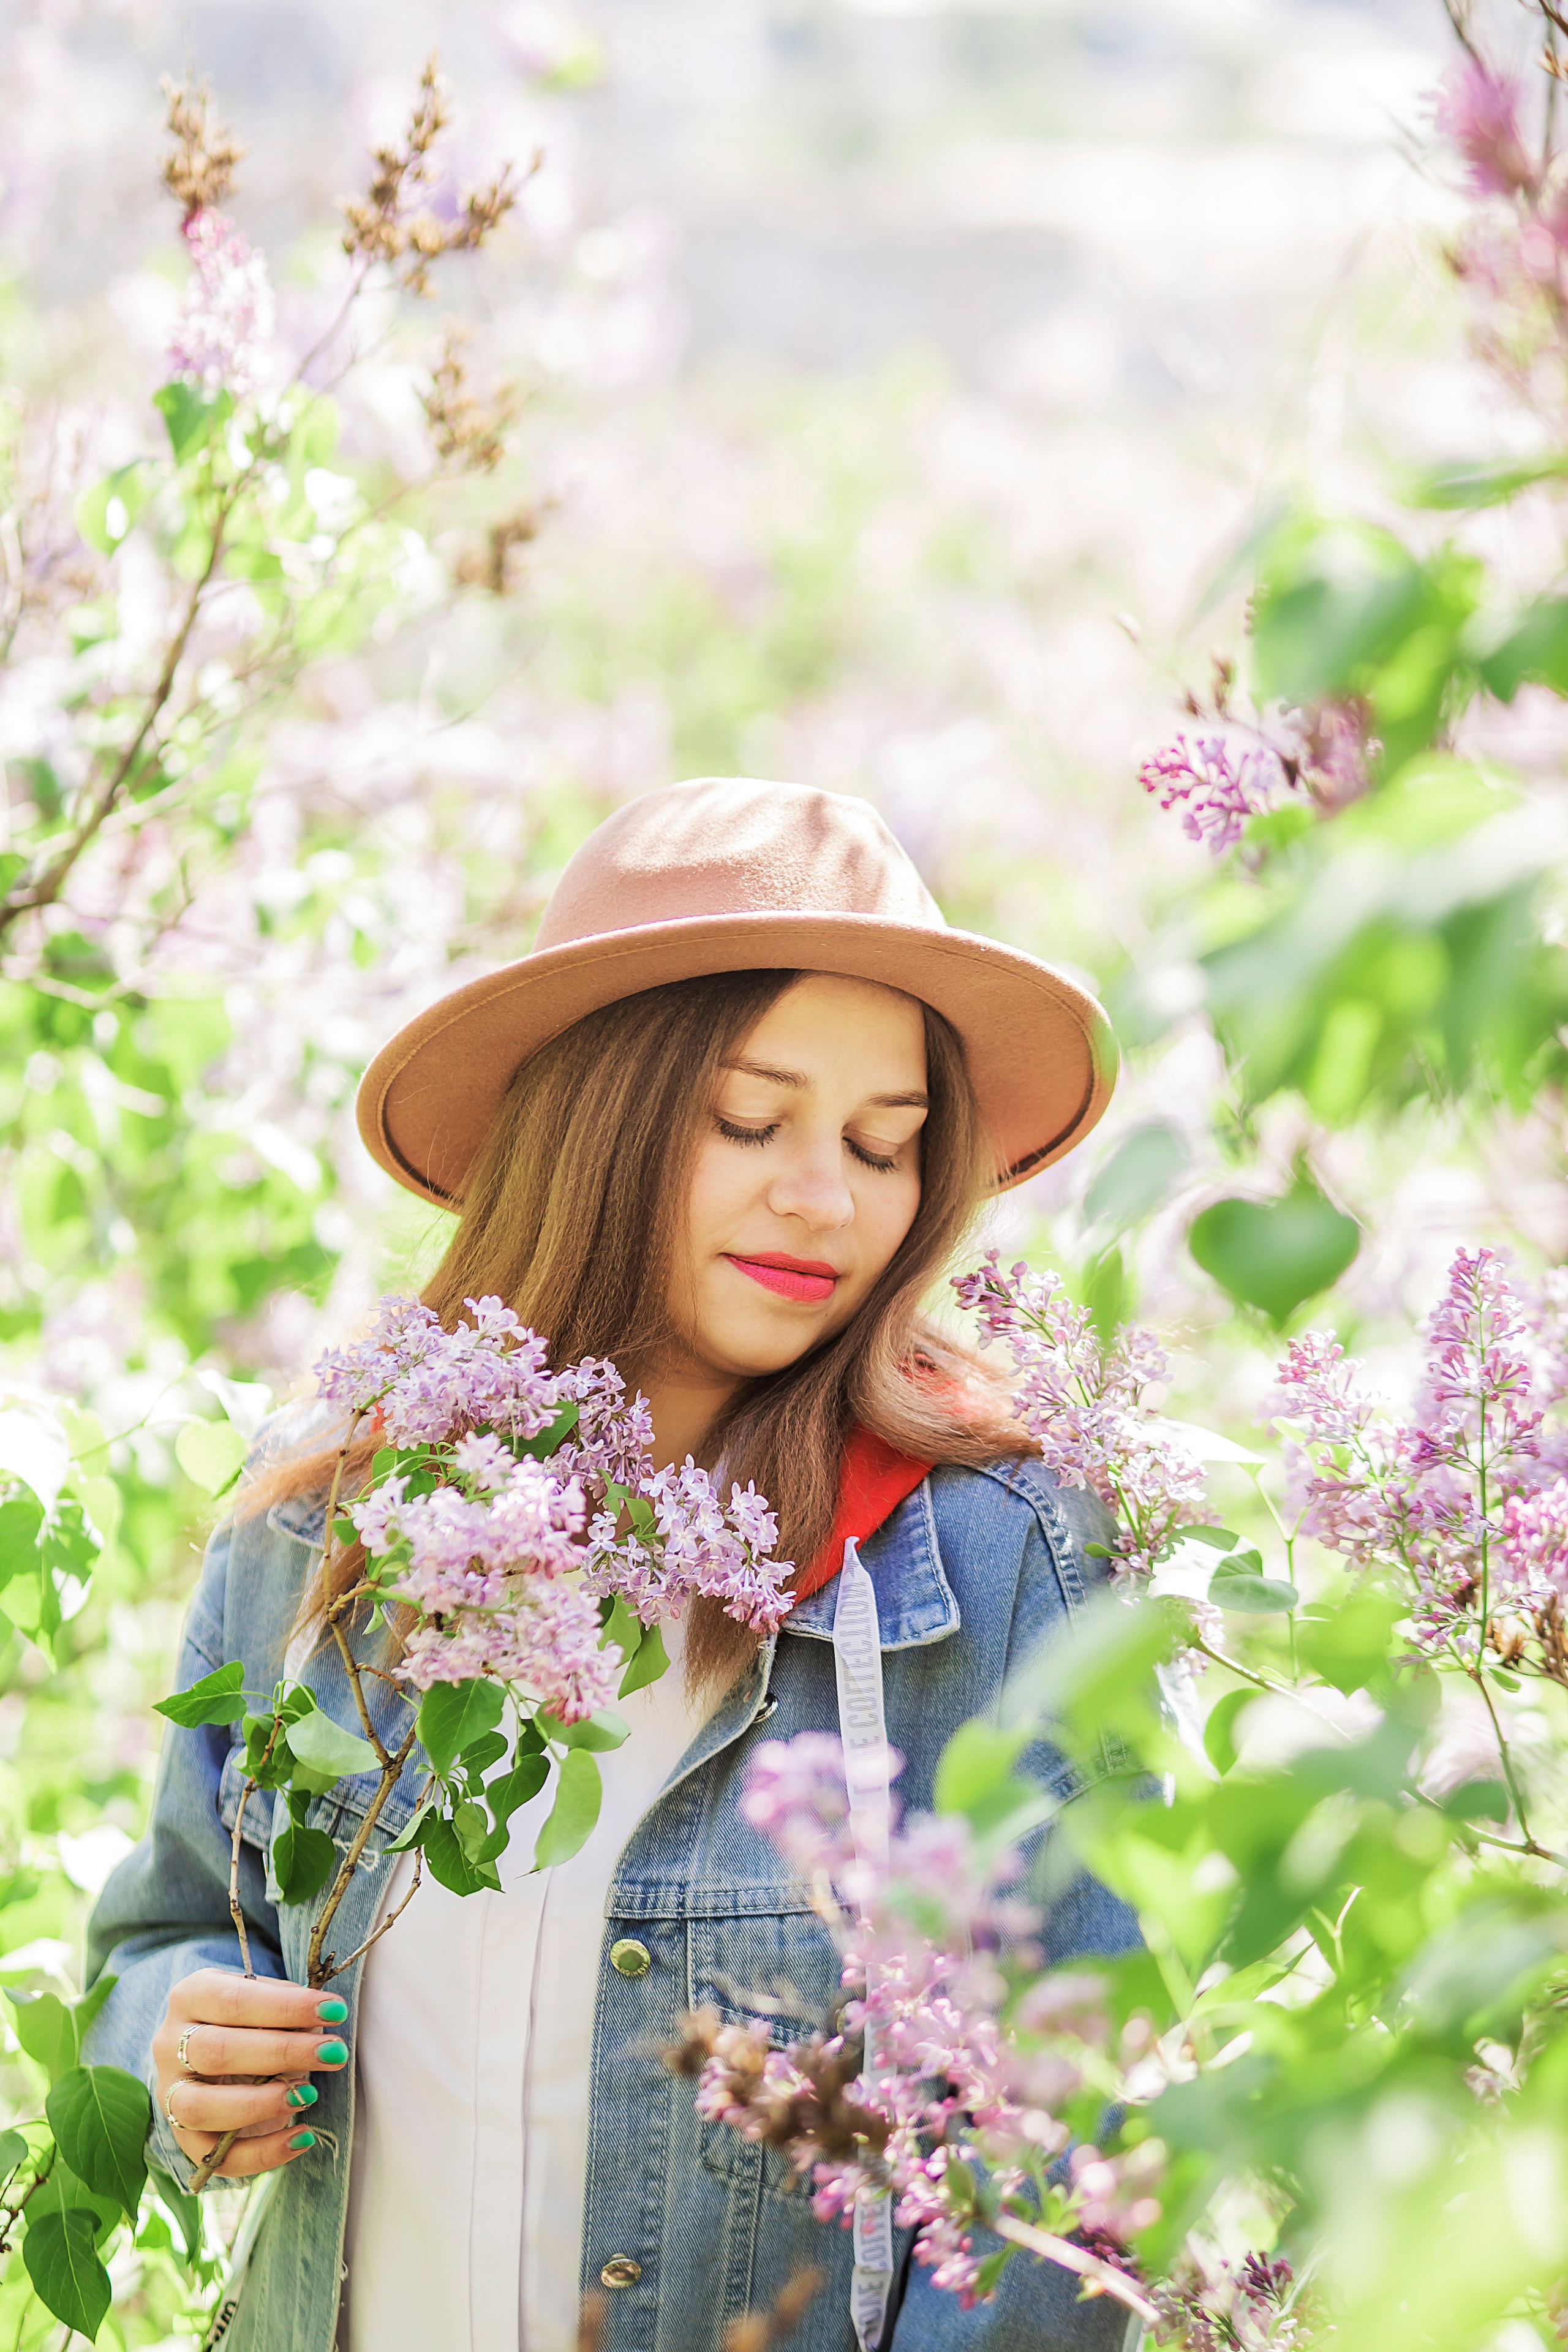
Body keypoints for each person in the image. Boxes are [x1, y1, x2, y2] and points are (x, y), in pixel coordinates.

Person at [85, 778, 1140, 2352]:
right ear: (602, 1114)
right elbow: (177, 1930)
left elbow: (1066, 2132)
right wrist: (175, 2062)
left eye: (883, 1143)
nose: (823, 1198)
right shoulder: (336, 1513)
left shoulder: (987, 1553)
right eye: (747, 1120)